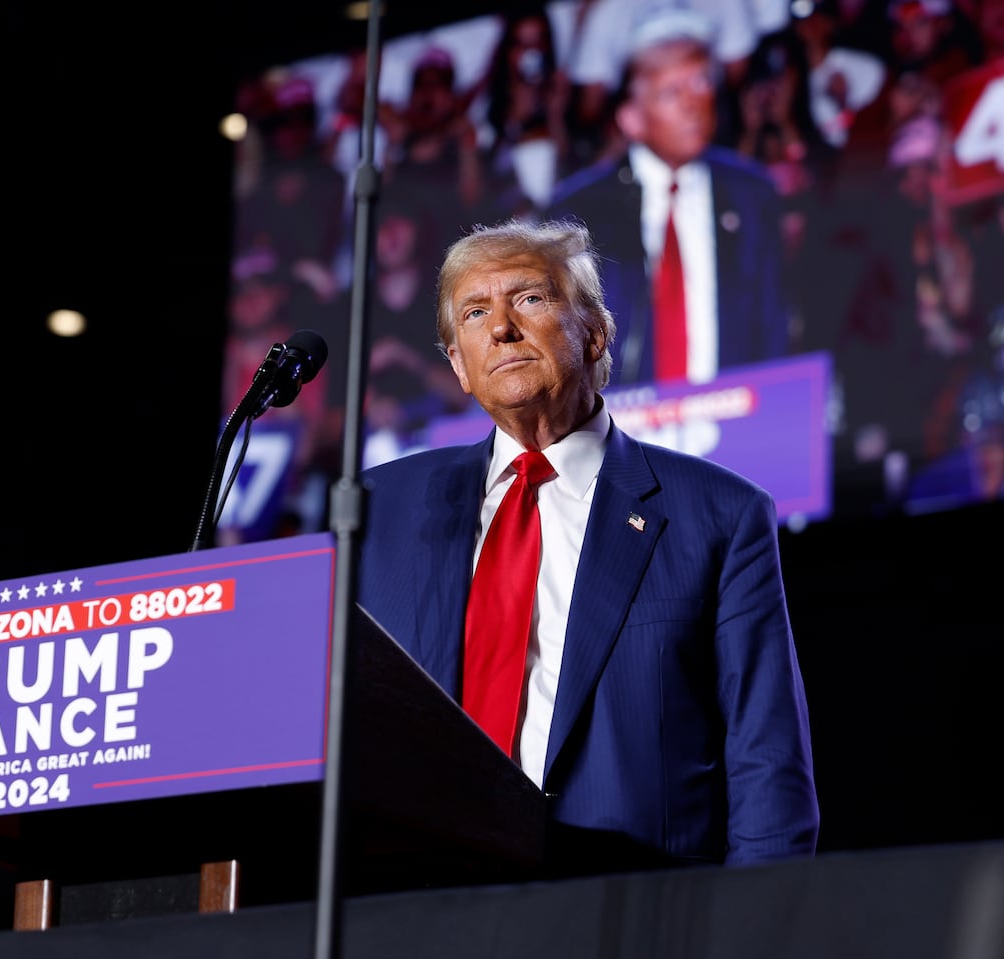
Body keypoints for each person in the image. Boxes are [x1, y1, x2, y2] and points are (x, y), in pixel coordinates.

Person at [355, 218, 819, 871]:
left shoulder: (719, 515)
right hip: (420, 904)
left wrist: (758, 923)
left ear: (595, 331)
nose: (501, 327)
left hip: (630, 905)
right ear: (458, 363)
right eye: (475, 312)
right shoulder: (378, 510)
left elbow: (767, 761)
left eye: (530, 298)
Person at [546, 4, 792, 387]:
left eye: (700, 82)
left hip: (735, 425)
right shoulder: (581, 211)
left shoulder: (751, 196)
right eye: (671, 91)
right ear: (632, 119)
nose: (693, 104)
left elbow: (774, 326)